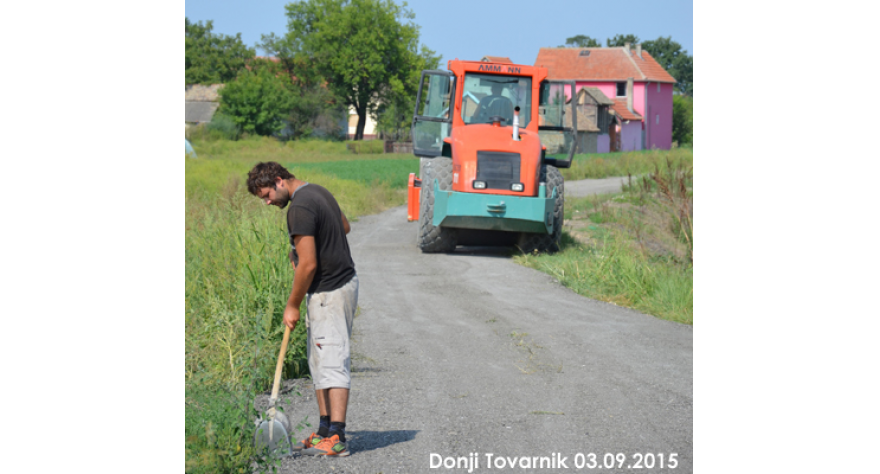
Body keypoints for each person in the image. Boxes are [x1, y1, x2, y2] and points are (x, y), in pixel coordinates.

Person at [247, 161, 358, 457]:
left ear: (279, 180)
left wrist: (292, 305)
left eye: (268, 195)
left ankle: (337, 437)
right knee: (319, 359)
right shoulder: (318, 191)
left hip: (330, 292)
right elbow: (344, 227)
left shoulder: (299, 208)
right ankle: (324, 431)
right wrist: (300, 249)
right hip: (334, 288)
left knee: (332, 361)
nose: (268, 202)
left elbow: (308, 265)